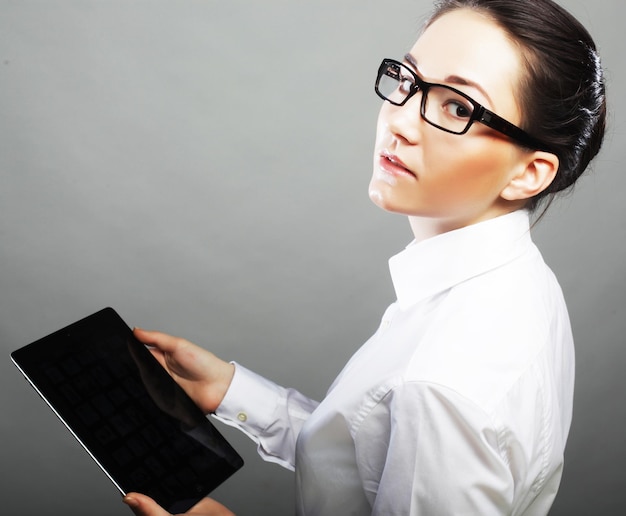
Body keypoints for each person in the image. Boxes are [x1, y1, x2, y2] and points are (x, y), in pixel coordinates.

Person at [122, 0, 607, 514]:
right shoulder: (519, 279)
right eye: (409, 80)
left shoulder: (439, 382)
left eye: (458, 107)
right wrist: (233, 392)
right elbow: (376, 459)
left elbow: (426, 413)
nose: (400, 122)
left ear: (529, 173)